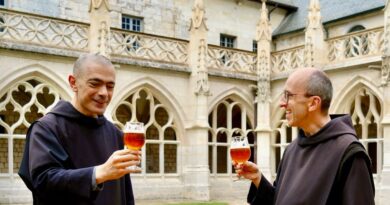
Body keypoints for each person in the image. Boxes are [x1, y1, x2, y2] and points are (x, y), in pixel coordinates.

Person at [235, 67, 375, 205]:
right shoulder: (291, 149)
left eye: (288, 96)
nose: (282, 103)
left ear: (313, 103)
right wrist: (258, 179)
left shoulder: (350, 154)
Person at [18, 53, 140, 205]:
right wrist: (98, 174)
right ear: (73, 82)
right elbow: (43, 181)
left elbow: (125, 194)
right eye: (94, 83)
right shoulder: (46, 128)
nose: (103, 93)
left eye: (110, 86)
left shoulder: (115, 134)